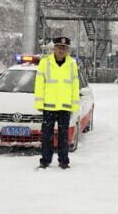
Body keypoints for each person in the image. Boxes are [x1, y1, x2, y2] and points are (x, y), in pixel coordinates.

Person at [35, 37, 80, 169]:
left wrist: (74, 105)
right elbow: (39, 84)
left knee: (63, 136)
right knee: (46, 136)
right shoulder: (45, 63)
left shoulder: (72, 64)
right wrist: (39, 103)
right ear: (54, 48)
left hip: (65, 107)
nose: (61, 50)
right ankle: (45, 160)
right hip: (48, 106)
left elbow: (75, 86)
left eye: (64, 48)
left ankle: (64, 161)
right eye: (59, 47)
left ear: (67, 50)